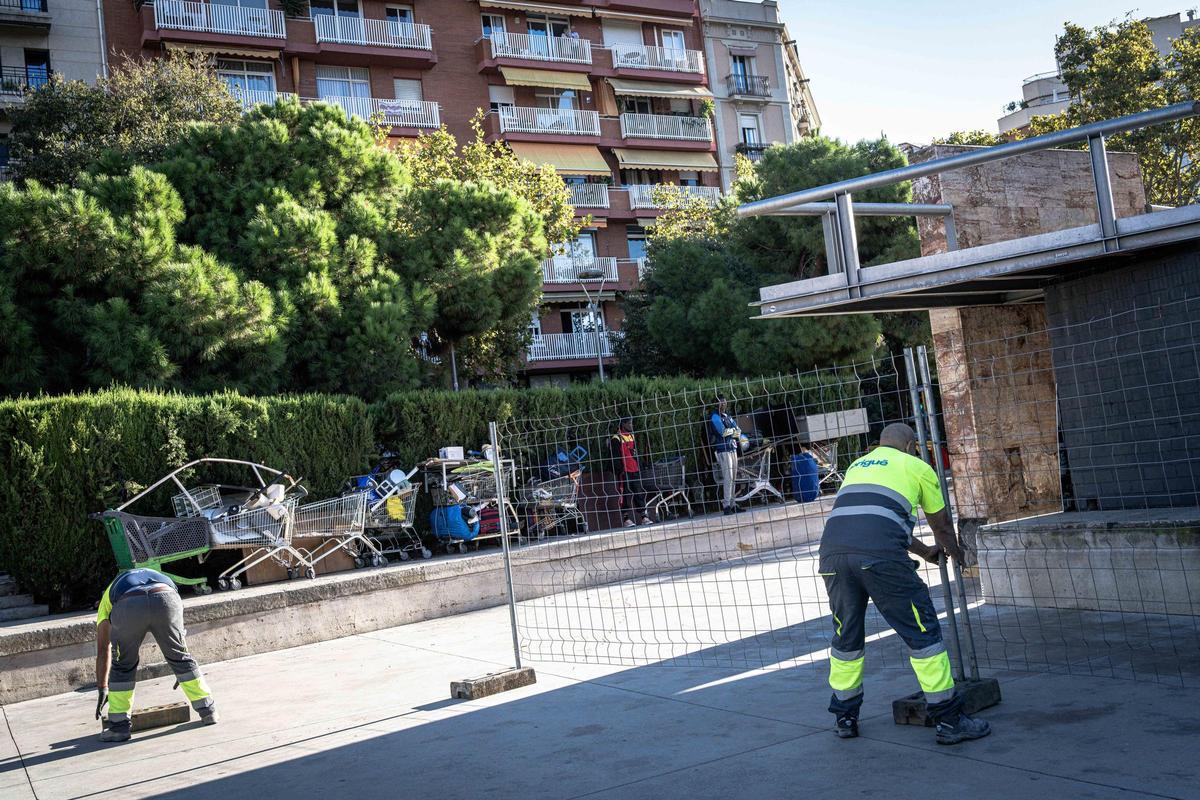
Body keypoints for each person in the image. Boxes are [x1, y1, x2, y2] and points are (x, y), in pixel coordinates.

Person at [818, 422, 990, 745]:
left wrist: (923, 551)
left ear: (879, 445)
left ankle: (845, 716)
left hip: (832, 557)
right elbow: (941, 526)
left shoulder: (857, 466)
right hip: (880, 557)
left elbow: (877, 518)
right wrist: (957, 555)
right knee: (923, 631)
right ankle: (949, 719)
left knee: (847, 635)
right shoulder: (918, 467)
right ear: (911, 446)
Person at [95, 567, 217, 742]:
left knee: (123, 664)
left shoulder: (107, 599)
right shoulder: (158, 576)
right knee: (181, 656)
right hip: (166, 595)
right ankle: (209, 712)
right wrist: (180, 666)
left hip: (129, 603)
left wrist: (102, 687)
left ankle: (119, 727)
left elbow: (103, 649)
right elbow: (179, 641)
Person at [608, 417, 651, 527]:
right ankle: (626, 518)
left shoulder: (632, 436)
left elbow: (635, 453)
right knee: (625, 494)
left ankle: (644, 516)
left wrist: (640, 465)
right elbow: (615, 457)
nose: (632, 425)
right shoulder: (616, 439)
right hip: (624, 471)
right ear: (623, 424)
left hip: (634, 469)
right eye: (629, 423)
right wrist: (619, 470)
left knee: (638, 492)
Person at [709, 395, 745, 515]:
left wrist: (732, 432)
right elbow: (723, 432)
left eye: (725, 402)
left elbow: (738, 431)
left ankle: (733, 504)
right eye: (721, 403)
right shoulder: (714, 417)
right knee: (728, 477)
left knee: (734, 477)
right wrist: (733, 432)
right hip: (723, 450)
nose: (724, 404)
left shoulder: (727, 416)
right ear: (716, 404)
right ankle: (726, 506)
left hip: (732, 448)